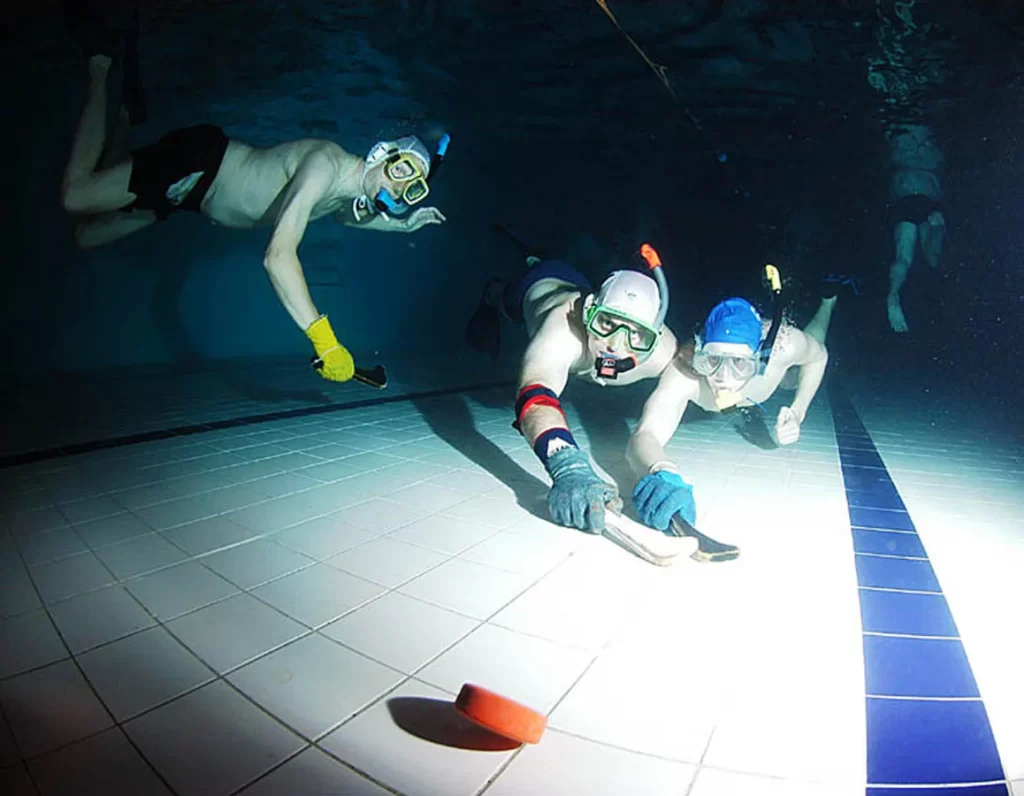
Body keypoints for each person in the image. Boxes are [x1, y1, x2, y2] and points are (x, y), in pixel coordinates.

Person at [61, 13, 448, 384]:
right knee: (77, 196)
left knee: (85, 236)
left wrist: (402, 224)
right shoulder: (324, 165)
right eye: (401, 172)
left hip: (190, 199)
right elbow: (277, 256)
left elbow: (350, 218)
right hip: (200, 165)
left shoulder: (342, 198)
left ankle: (127, 117)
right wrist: (325, 342)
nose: (398, 188)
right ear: (382, 153)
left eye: (409, 188)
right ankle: (101, 64)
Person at [467, 245, 836, 536]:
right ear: (586, 314)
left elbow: (813, 356)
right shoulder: (561, 331)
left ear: (656, 336)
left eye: (635, 335)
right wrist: (568, 465)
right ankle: (503, 285)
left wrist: (798, 408)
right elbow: (535, 394)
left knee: (795, 363)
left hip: (784, 351)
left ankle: (828, 304)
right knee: (510, 300)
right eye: (606, 324)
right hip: (541, 286)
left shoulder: (672, 352)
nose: (615, 345)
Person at [884, 123, 947, 334]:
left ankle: (893, 294)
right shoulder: (928, 146)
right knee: (930, 258)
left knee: (905, 257)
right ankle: (893, 295)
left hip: (908, 200)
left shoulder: (901, 142)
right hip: (924, 201)